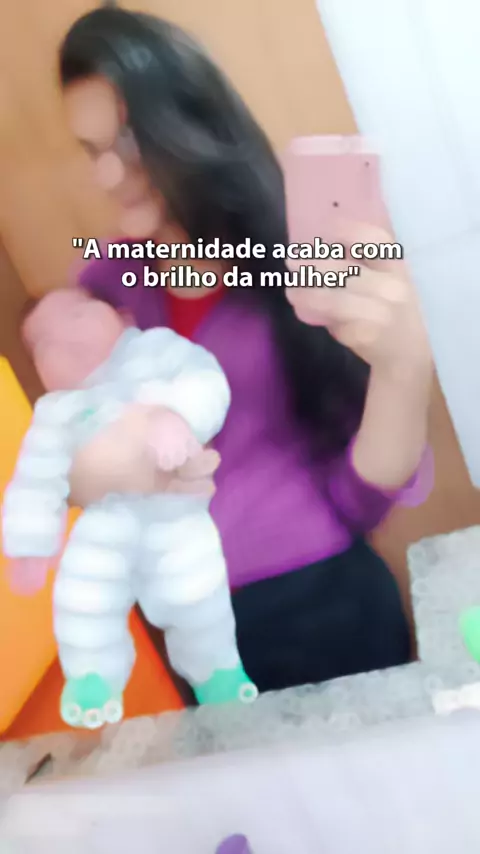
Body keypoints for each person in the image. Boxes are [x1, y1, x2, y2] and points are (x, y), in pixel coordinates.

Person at [57, 7, 434, 695]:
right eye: (91, 150)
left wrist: (404, 366)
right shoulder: (104, 289)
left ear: (192, 125)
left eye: (130, 140)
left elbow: (365, 493)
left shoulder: (298, 260)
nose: (108, 174)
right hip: (190, 633)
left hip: (323, 604)